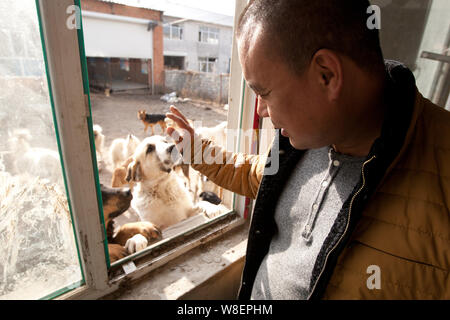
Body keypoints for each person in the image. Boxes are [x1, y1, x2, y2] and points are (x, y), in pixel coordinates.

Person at [166, 0, 450, 300]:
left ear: (326, 75)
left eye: (264, 93)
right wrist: (196, 150)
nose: (260, 111)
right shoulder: (312, 136)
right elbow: (254, 175)